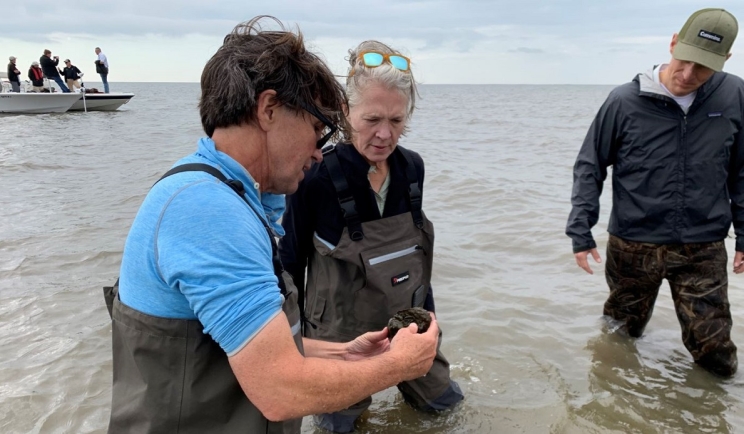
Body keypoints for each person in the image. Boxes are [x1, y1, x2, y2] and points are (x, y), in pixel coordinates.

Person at [104, 16, 439, 434]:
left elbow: (246, 342)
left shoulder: (230, 197)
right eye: (316, 128)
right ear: (268, 110)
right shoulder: (206, 211)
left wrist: (343, 353)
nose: (319, 152)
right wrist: (397, 365)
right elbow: (280, 390)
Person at [279, 41, 464, 433]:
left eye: (396, 121)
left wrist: (430, 321)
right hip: (339, 332)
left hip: (407, 322)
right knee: (339, 426)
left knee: (447, 410)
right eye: (373, 119)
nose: (384, 134)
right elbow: (290, 263)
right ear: (345, 112)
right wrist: (292, 345)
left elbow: (418, 256)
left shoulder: (413, 168)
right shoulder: (315, 177)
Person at [566, 8, 742, 377]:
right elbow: (590, 166)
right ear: (674, 42)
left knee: (715, 352)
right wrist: (580, 231)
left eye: (704, 68)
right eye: (685, 61)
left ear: (725, 60)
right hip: (633, 245)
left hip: (703, 247)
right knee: (618, 340)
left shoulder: (734, 95)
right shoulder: (623, 101)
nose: (689, 75)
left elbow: (741, 170)